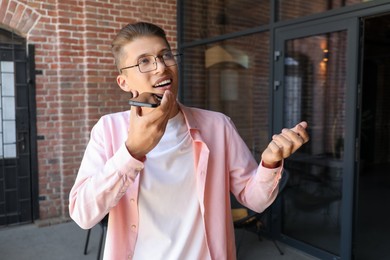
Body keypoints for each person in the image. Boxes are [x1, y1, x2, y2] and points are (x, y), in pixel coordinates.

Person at [69, 22, 309, 260]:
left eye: (166, 55)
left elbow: (255, 200)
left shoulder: (217, 126)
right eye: (144, 61)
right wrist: (131, 152)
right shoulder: (109, 129)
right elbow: (83, 214)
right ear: (124, 82)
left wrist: (269, 163)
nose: (161, 67)